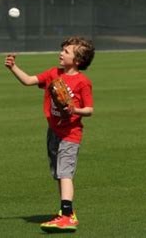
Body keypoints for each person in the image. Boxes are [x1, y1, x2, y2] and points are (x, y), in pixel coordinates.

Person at [5, 36, 95, 231]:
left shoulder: (82, 82)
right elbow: (29, 81)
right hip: (53, 131)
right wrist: (13, 67)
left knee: (65, 173)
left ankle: (68, 216)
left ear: (77, 60)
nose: (61, 53)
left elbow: (89, 109)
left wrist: (75, 110)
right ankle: (64, 212)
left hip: (71, 134)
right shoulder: (54, 73)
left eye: (66, 52)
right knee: (58, 174)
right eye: (62, 50)